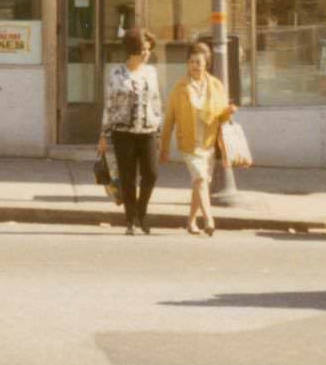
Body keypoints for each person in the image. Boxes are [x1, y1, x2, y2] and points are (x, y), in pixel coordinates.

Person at [159, 42, 236, 236]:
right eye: (192, 62)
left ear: (206, 64)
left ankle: (191, 222)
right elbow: (169, 119)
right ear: (187, 64)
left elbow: (222, 117)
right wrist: (164, 147)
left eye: (199, 62)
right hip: (189, 144)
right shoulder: (180, 87)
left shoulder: (216, 85)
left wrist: (229, 112)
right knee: (201, 179)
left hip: (208, 143)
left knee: (199, 183)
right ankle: (209, 219)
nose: (195, 66)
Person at [99, 28, 162, 235]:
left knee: (151, 174)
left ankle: (141, 211)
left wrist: (159, 130)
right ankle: (130, 220)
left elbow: (156, 102)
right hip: (123, 132)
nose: (146, 53)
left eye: (148, 49)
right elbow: (109, 105)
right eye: (142, 49)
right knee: (127, 177)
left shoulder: (151, 72)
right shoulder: (116, 74)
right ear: (132, 50)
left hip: (147, 131)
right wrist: (103, 135)